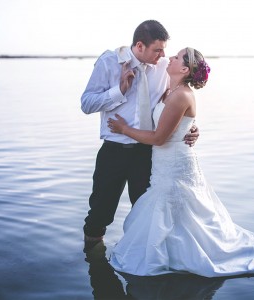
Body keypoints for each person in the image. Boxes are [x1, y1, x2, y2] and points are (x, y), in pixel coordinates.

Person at [107, 47, 254, 277]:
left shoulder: (181, 95)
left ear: (184, 69)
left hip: (174, 164)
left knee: (174, 207)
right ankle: (175, 252)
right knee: (180, 212)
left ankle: (187, 254)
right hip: (164, 163)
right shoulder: (170, 90)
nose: (170, 57)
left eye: (177, 57)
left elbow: (159, 138)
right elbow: (171, 126)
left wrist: (124, 129)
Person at [80, 20, 199, 251]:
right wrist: (119, 91)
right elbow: (86, 104)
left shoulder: (165, 66)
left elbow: (179, 99)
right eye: (157, 49)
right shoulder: (109, 62)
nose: (163, 55)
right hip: (114, 149)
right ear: (140, 46)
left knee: (146, 212)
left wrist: (190, 126)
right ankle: (93, 260)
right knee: (100, 214)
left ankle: (144, 260)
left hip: (149, 153)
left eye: (164, 49)